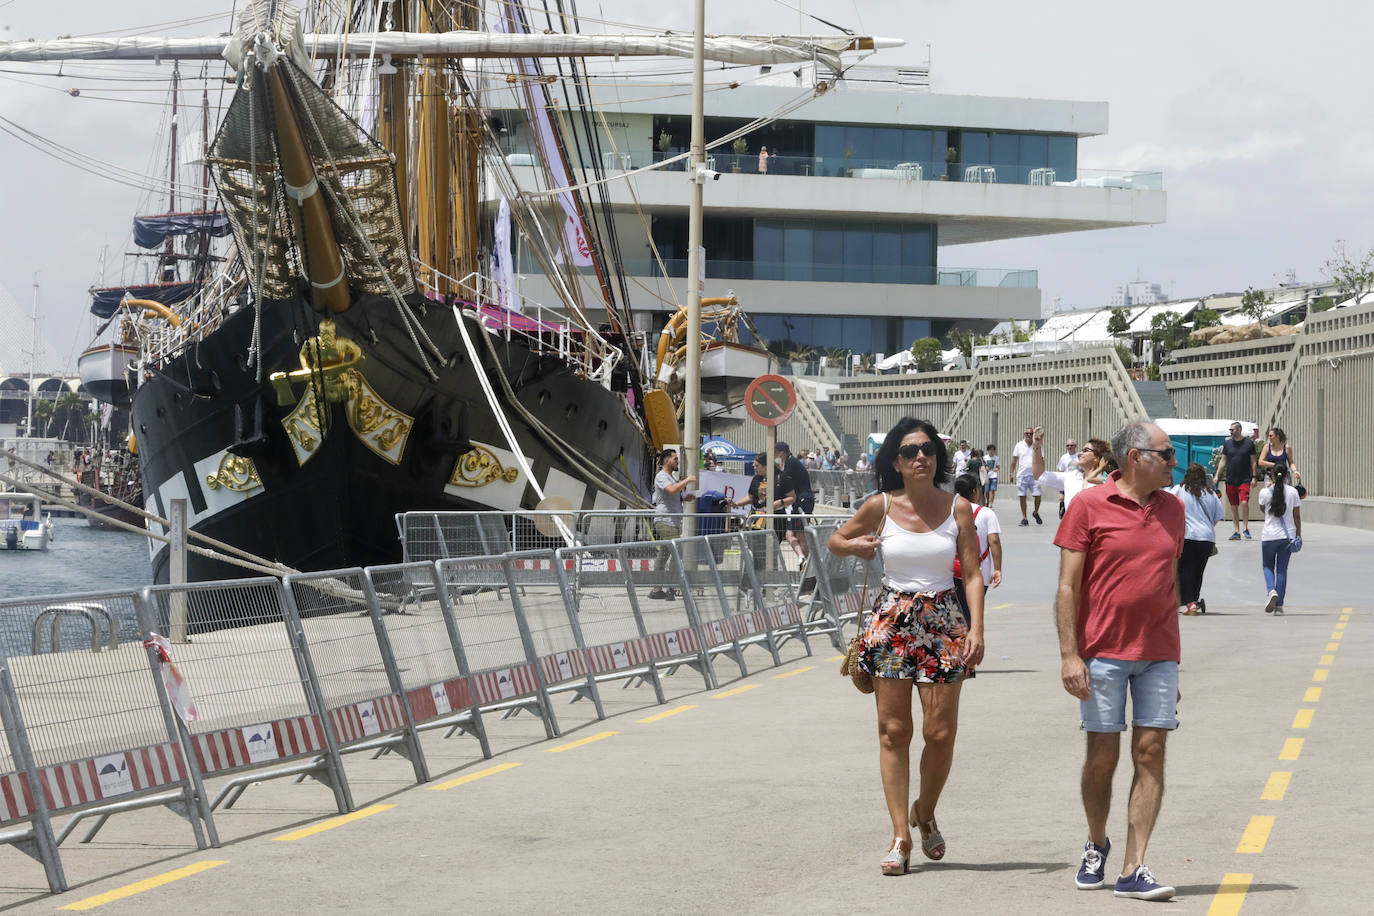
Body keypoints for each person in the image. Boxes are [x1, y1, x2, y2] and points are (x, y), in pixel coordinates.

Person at [828, 417, 984, 876]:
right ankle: (900, 835)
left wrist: (977, 629)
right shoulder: (881, 504)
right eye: (912, 450)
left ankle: (925, 810)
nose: (922, 457)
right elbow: (837, 539)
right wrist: (855, 548)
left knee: (940, 733)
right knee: (894, 732)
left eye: (929, 450)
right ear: (895, 460)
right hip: (892, 621)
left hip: (943, 622)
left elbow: (972, 573)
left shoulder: (958, 508)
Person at [1054, 420, 1183, 901]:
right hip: (1102, 652)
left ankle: (1134, 867)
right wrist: (1070, 654)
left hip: (1158, 655)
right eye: (1166, 454)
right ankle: (1096, 842)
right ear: (1136, 457)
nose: (1174, 462)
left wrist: (1174, 659)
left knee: (1151, 752)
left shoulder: (1174, 510)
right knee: (1102, 758)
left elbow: (1167, 582)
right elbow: (1067, 586)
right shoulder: (1088, 505)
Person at [1167, 463, 1225, 615]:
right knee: (1198, 571)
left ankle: (1188, 602)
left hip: (1186, 537)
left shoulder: (1178, 491)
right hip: (1206, 538)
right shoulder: (1211, 493)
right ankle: (1193, 600)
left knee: (1183, 570)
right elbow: (1217, 517)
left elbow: (1168, 511)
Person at [951, 473, 1002, 624]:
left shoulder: (948, 511)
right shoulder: (986, 513)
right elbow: (994, 541)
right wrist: (998, 568)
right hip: (980, 572)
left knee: (956, 614)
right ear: (975, 491)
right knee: (970, 613)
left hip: (952, 571)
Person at [649, 449, 696, 599]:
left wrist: (688, 496)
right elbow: (671, 490)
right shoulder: (662, 476)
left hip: (672, 521)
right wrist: (687, 480)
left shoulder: (671, 477)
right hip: (665, 521)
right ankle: (670, 587)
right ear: (667, 460)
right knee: (677, 551)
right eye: (675, 459)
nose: (678, 462)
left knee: (664, 554)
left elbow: (677, 495)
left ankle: (656, 589)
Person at [1258, 465, 1302, 615]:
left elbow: (1263, 509)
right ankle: (1279, 605)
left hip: (1269, 536)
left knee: (1267, 566)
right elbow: (1297, 516)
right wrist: (1299, 535)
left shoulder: (1265, 492)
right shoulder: (1293, 492)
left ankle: (1271, 591)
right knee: (1282, 570)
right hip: (1287, 536)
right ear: (1287, 475)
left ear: (1272, 474)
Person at [1030, 427, 1099, 511]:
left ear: (1097, 457)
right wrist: (1037, 446)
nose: (1081, 453)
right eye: (1082, 450)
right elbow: (1039, 475)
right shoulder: (1071, 477)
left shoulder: (1105, 480)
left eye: (1086, 450)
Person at [774, 441, 815, 569]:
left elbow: (784, 481)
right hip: (801, 501)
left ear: (781, 452)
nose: (774, 454)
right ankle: (802, 557)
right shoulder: (790, 462)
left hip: (803, 501)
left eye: (775, 452)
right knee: (789, 534)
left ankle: (807, 566)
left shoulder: (791, 463)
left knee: (800, 534)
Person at [1214, 421, 1257, 540]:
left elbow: (1253, 461)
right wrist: (1217, 474)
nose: (1230, 432)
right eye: (1230, 430)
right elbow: (1223, 460)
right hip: (1230, 478)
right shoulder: (1228, 444)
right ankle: (1236, 531)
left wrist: (1254, 477)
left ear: (1239, 430)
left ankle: (1246, 528)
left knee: (1244, 503)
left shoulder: (1249, 443)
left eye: (1232, 430)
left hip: (1244, 478)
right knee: (1233, 506)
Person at [1009, 427, 1042, 526]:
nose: (1029, 436)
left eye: (1031, 434)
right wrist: (1011, 473)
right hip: (1022, 475)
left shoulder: (1037, 445)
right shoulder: (1019, 445)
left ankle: (1035, 512)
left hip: (1034, 475)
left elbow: (1041, 459)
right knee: (1022, 496)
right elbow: (1014, 460)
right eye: (1027, 434)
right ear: (1024, 434)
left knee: (1038, 496)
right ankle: (1024, 518)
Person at [1057, 439, 1079, 518]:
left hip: (1076, 482)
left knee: (1074, 499)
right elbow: (1060, 470)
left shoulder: (1079, 456)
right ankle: (1063, 510)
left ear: (1075, 446)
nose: (1070, 447)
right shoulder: (1064, 457)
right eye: (1068, 446)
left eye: (1071, 445)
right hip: (1066, 481)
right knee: (1062, 498)